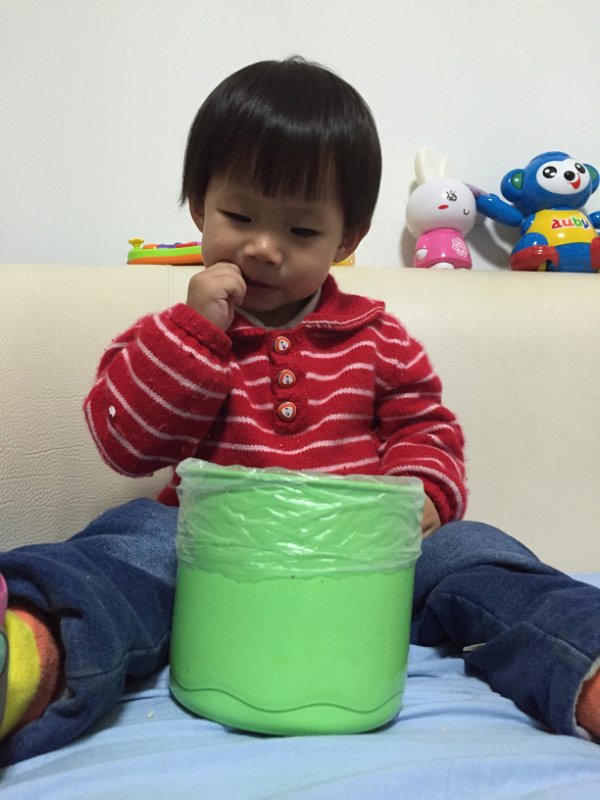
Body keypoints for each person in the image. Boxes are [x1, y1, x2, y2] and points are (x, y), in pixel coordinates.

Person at [1, 56, 599, 767]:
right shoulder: (172, 333)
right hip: (212, 548)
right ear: (198, 208)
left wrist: (423, 491)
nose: (264, 248)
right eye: (239, 217)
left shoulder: (376, 337)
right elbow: (126, 445)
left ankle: (587, 663)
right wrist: (196, 334)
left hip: (364, 558)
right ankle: (30, 653)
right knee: (132, 536)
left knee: (475, 552)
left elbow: (424, 426)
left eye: (302, 232)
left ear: (347, 239)